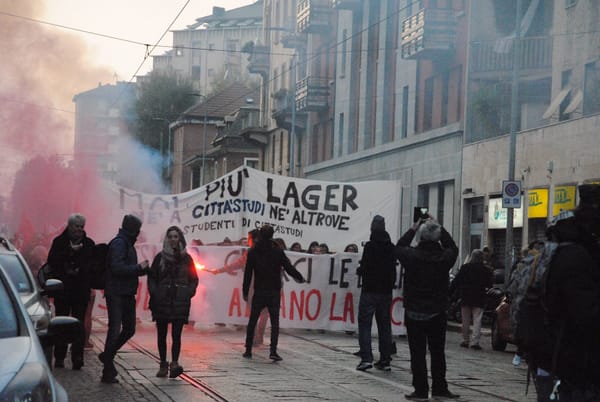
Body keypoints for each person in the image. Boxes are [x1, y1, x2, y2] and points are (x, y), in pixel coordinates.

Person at [543, 185, 600, 401]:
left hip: (568, 359)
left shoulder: (570, 250)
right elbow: (586, 315)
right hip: (580, 362)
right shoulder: (576, 255)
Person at [396, 216, 460, 400]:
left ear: (421, 237)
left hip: (415, 310)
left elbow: (398, 247)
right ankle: (440, 387)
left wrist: (413, 228)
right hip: (437, 311)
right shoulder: (444, 258)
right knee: (437, 352)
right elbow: (453, 247)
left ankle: (421, 390)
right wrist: (440, 226)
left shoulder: (411, 256)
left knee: (417, 353)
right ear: (438, 237)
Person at [242, 224, 305, 361]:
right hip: (273, 290)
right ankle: (273, 351)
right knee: (275, 322)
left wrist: (245, 291)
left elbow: (248, 273)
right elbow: (288, 267)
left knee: (253, 320)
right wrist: (299, 277)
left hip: (259, 290)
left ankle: (248, 349)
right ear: (272, 235)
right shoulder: (277, 250)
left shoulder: (253, 251)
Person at [99, 214, 149, 384]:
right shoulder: (120, 243)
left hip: (125, 292)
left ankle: (107, 356)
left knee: (129, 329)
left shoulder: (126, 243)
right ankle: (107, 367)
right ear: (133, 230)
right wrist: (138, 268)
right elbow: (117, 267)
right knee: (115, 330)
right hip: (117, 293)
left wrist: (140, 270)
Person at [147, 226, 199, 378]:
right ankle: (163, 364)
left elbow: (194, 279)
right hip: (162, 301)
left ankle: (175, 362)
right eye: (170, 236)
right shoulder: (160, 258)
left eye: (175, 236)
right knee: (161, 334)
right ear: (166, 239)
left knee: (177, 335)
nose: (173, 239)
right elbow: (152, 277)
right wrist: (155, 293)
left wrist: (189, 292)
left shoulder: (187, 259)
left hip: (180, 301)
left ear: (180, 239)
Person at [47, 213, 95, 370]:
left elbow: (92, 266)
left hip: (80, 291)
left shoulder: (88, 244)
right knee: (61, 323)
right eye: (77, 226)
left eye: (82, 227)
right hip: (63, 290)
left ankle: (77, 356)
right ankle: (59, 356)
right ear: (70, 226)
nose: (80, 229)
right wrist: (69, 252)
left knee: (79, 324)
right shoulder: (59, 242)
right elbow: (52, 263)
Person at [355, 215, 397, 372]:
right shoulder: (390, 247)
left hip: (370, 290)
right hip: (386, 292)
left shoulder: (370, 246)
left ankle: (366, 358)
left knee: (365, 325)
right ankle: (385, 359)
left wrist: (360, 270)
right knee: (385, 325)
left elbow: (365, 267)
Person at [449, 249, 493, 350]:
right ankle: (475, 342)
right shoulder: (485, 270)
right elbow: (489, 284)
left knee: (465, 320)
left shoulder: (465, 268)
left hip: (466, 296)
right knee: (477, 320)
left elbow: (456, 281)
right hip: (479, 297)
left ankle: (465, 340)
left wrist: (450, 293)